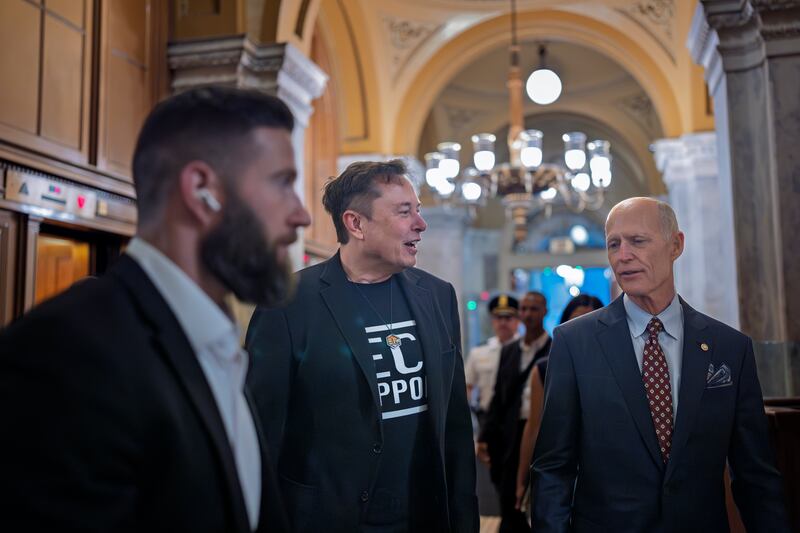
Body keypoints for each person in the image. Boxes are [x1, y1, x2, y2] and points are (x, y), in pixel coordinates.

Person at [0, 87, 311, 532]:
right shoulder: (64, 355)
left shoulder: (217, 341)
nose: (301, 215)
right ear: (202, 190)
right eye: (283, 182)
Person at [246, 160, 478, 533]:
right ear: (356, 224)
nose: (421, 224)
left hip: (424, 518)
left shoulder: (437, 296)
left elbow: (454, 427)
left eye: (418, 211)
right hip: (327, 520)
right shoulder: (287, 305)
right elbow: (260, 437)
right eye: (405, 212)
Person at [532, 197, 790, 532]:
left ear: (676, 245)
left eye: (638, 241)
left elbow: (756, 476)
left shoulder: (730, 348)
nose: (623, 255)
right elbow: (553, 467)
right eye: (614, 244)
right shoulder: (574, 343)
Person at [514, 294, 603, 509]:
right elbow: (534, 428)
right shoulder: (546, 368)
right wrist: (522, 479)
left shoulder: (618, 367)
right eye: (577, 322)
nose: (585, 331)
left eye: (591, 321)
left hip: (606, 472)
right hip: (561, 470)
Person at [477, 291, 550, 533]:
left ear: (545, 312)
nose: (528, 314)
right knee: (508, 501)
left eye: (534, 309)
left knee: (537, 498)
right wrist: (485, 437)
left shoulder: (555, 349)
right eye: (525, 309)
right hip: (507, 437)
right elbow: (498, 397)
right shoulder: (509, 351)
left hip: (540, 435)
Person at [465, 293, 520, 431]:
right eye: (498, 317)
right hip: (487, 419)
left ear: (517, 320)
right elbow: (467, 386)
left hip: (518, 419)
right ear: (492, 320)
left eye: (508, 317)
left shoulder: (525, 350)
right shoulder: (479, 352)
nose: (503, 322)